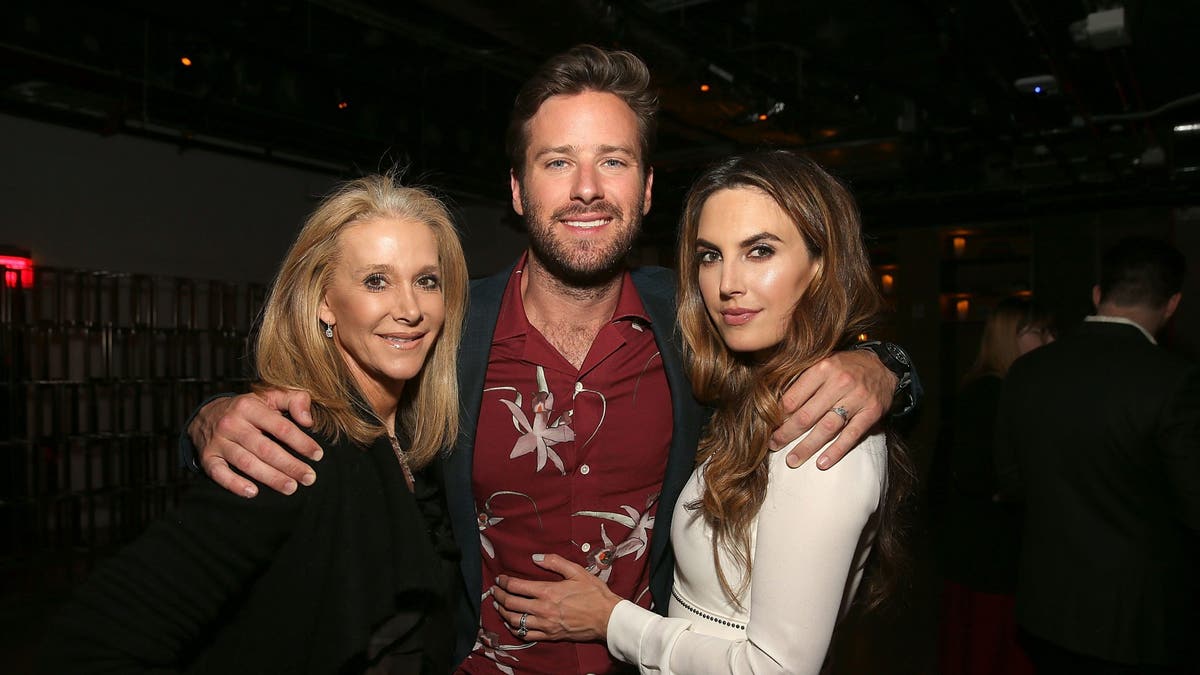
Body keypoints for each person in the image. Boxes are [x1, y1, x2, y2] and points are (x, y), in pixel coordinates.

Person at [184, 46, 918, 673]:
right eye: (557, 161)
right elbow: (322, 410)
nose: (587, 187)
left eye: (613, 161)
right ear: (517, 187)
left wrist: (883, 366)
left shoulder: (695, 318)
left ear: (647, 186)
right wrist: (213, 420)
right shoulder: (447, 330)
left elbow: (799, 340)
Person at [489, 150, 915, 674]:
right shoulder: (742, 385)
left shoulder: (825, 426)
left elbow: (774, 669)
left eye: (760, 251)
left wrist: (612, 621)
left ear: (822, 263)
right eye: (710, 255)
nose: (726, 283)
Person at [39, 175, 468, 673]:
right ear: (324, 302)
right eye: (377, 280)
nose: (411, 309)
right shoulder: (292, 447)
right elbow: (90, 642)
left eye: (426, 281)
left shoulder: (411, 443)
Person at [996, 236, 1200, 673]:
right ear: (1172, 304)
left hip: (1044, 610)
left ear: (1097, 294)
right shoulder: (1176, 381)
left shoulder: (1028, 370)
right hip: (1134, 621)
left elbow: (1012, 482)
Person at [935, 297, 1052, 675]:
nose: (1051, 339)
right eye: (1040, 332)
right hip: (987, 553)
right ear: (1010, 337)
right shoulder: (989, 393)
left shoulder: (1009, 388)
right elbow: (972, 472)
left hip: (993, 550)